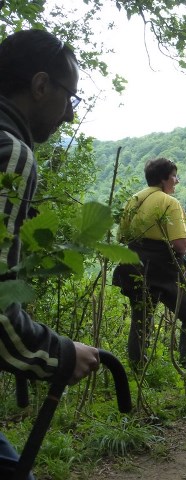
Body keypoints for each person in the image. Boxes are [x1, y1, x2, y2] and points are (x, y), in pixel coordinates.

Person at [0, 29, 100, 478]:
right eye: (69, 97)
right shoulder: (10, 153)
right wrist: (56, 353)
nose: (68, 112)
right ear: (41, 86)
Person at [113, 157, 186, 369]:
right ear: (163, 179)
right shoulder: (169, 202)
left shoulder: (134, 200)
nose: (177, 181)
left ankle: (137, 369)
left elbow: (121, 238)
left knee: (141, 319)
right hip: (165, 267)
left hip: (134, 265)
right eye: (174, 176)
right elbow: (180, 245)